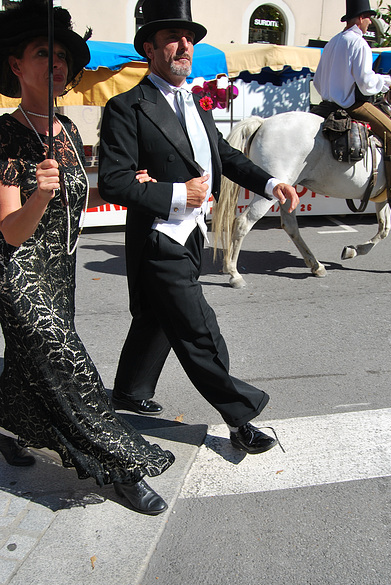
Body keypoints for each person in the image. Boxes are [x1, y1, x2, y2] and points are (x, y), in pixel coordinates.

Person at [98, 0, 300, 455]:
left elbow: (223, 157)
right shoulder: (127, 106)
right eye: (172, 36)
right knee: (198, 329)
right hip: (158, 238)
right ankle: (239, 416)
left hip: (192, 234)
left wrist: (270, 182)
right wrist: (176, 195)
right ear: (149, 48)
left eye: (189, 37)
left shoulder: (193, 101)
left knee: (155, 317)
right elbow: (112, 179)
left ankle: (130, 390)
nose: (184, 44)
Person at [0, 0, 175, 516]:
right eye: (41, 54)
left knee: (34, 367)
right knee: (72, 369)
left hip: (61, 273)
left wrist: (140, 181)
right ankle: (121, 466)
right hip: (17, 275)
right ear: (16, 65)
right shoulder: (4, 136)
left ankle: (7, 425)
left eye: (60, 57)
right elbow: (10, 233)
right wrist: (38, 195)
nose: (55, 65)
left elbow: (82, 200)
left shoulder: (69, 132)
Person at [312, 0, 391, 214]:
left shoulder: (332, 42)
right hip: (352, 104)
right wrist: (386, 81)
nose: (370, 22)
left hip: (325, 104)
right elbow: (365, 82)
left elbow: (317, 81)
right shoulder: (359, 43)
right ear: (361, 17)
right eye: (368, 18)